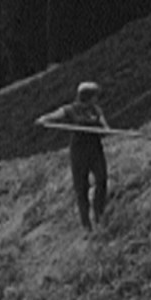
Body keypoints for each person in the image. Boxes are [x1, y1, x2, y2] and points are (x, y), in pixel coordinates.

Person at [36, 81, 110, 231]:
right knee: (81, 187)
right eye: (95, 95)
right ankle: (86, 224)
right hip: (79, 152)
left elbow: (105, 127)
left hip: (95, 149)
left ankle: (99, 214)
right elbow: (55, 115)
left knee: (102, 179)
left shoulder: (96, 110)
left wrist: (105, 130)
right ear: (87, 96)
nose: (97, 98)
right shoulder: (71, 109)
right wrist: (44, 119)